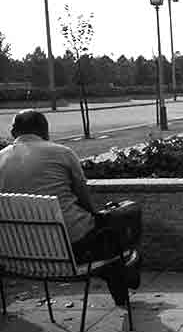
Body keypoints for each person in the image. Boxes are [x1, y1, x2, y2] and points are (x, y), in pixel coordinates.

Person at [0, 110, 141, 305]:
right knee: (127, 213)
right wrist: (98, 215)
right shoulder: (62, 153)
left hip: (17, 253)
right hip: (69, 248)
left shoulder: (1, 157)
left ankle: (123, 264)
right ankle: (129, 261)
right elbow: (84, 199)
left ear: (15, 132)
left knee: (108, 250)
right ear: (44, 130)